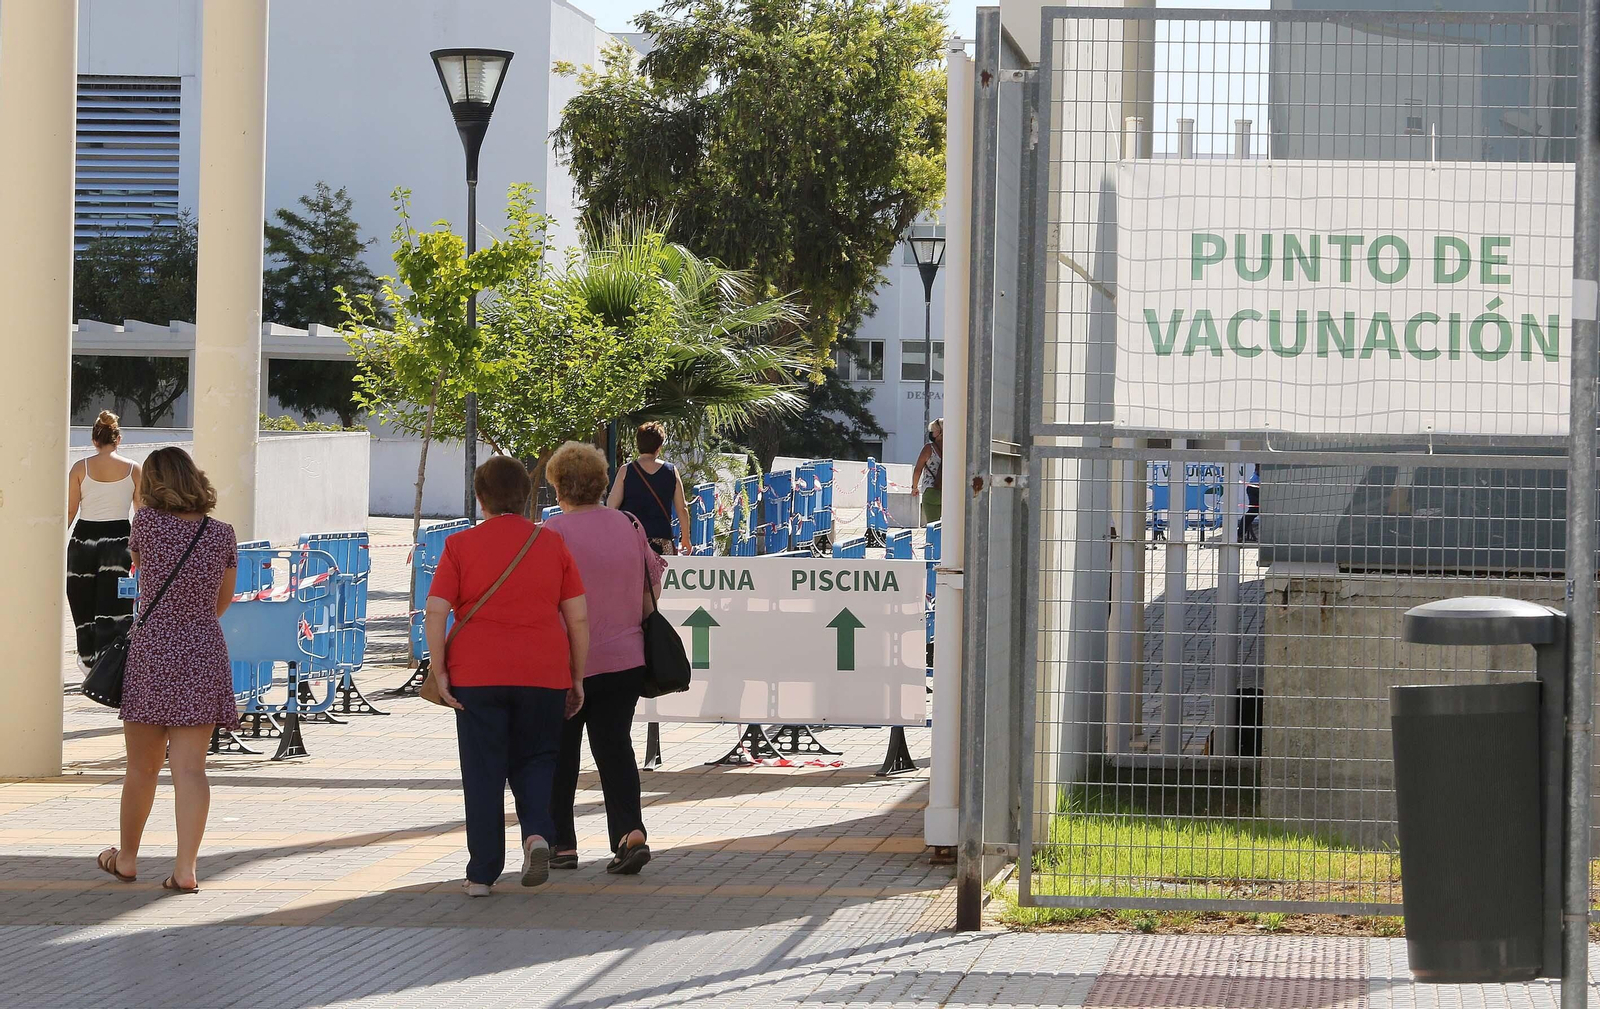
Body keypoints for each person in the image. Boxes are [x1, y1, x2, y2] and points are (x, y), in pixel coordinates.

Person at [425, 456, 589, 897]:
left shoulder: (459, 546)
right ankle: (537, 834)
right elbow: (578, 619)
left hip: (476, 675)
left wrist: (440, 670)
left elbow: (436, 614)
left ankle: (482, 873)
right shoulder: (552, 544)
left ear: (481, 499)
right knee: (537, 760)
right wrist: (576, 676)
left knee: (483, 771)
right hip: (543, 671)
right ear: (527, 497)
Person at [96, 447, 238, 894]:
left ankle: (128, 858)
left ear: (154, 484)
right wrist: (192, 620)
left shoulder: (147, 525)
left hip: (154, 648)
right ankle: (186, 869)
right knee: (191, 769)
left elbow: (140, 573)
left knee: (141, 767)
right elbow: (222, 601)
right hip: (201, 651)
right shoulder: (222, 534)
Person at [543, 441, 663, 876]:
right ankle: (630, 833)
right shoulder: (629, 524)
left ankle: (562, 844)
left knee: (562, 753)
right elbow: (653, 581)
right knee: (615, 748)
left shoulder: (552, 533)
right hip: (626, 658)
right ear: (600, 484)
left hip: (566, 661)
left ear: (559, 487)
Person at [66, 411, 141, 672]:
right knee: (115, 601)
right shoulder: (134, 469)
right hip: (119, 539)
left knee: (81, 597)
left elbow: (70, 511)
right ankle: (112, 659)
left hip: (83, 538)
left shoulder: (79, 467)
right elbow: (141, 513)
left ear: (94, 439)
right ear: (118, 439)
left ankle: (87, 658)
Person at [608, 421, 692, 555]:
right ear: (659, 447)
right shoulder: (671, 471)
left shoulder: (626, 470)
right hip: (662, 540)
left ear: (638, 445)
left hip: (631, 540)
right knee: (661, 575)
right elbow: (682, 508)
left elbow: (612, 506)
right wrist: (686, 538)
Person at [911, 418, 944, 525]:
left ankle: (934, 542)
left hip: (931, 491)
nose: (931, 433)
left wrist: (915, 487)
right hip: (949, 493)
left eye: (933, 430)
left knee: (933, 526)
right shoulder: (953, 448)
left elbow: (918, 470)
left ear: (939, 432)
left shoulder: (929, 449)